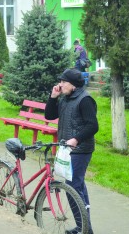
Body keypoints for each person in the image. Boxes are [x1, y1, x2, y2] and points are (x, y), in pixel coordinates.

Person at [45, 68, 98, 234]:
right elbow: (49, 115)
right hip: (68, 149)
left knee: (72, 188)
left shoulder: (85, 100)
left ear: (73, 85)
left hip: (80, 150)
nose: (60, 84)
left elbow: (92, 125)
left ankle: (85, 229)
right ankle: (83, 227)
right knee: (78, 186)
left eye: (63, 82)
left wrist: (76, 139)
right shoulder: (66, 98)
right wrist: (53, 97)